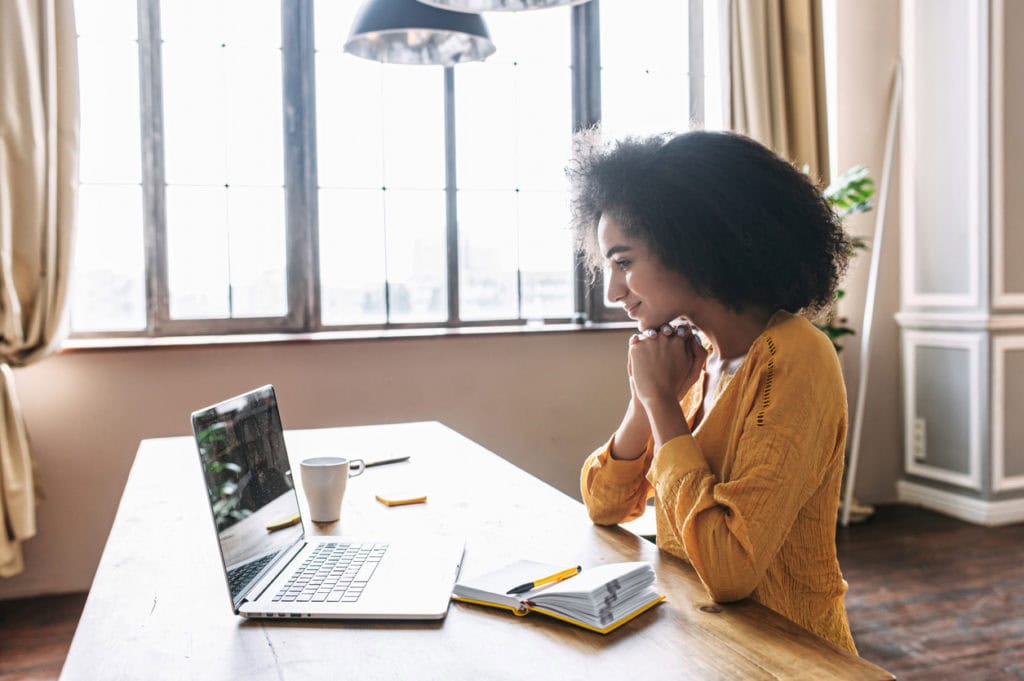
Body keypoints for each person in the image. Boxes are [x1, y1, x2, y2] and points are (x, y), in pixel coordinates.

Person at [571, 129, 857, 654]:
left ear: (692, 242)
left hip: (792, 658)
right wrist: (646, 401)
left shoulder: (796, 357)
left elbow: (731, 570)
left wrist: (660, 401)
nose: (612, 292)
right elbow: (604, 505)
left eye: (625, 261)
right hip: (703, 646)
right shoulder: (696, 358)